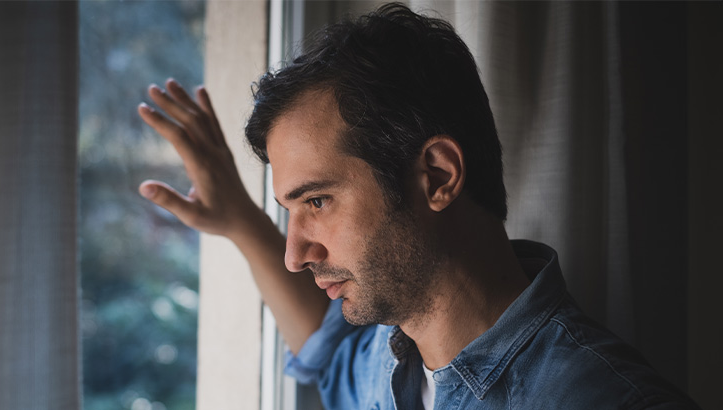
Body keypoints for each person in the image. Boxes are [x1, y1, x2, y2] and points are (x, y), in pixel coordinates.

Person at [136, 3, 700, 409]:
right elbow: (331, 357)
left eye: (319, 200)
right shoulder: (386, 362)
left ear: (436, 176)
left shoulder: (606, 399)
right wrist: (238, 218)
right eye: (292, 209)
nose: (295, 254)